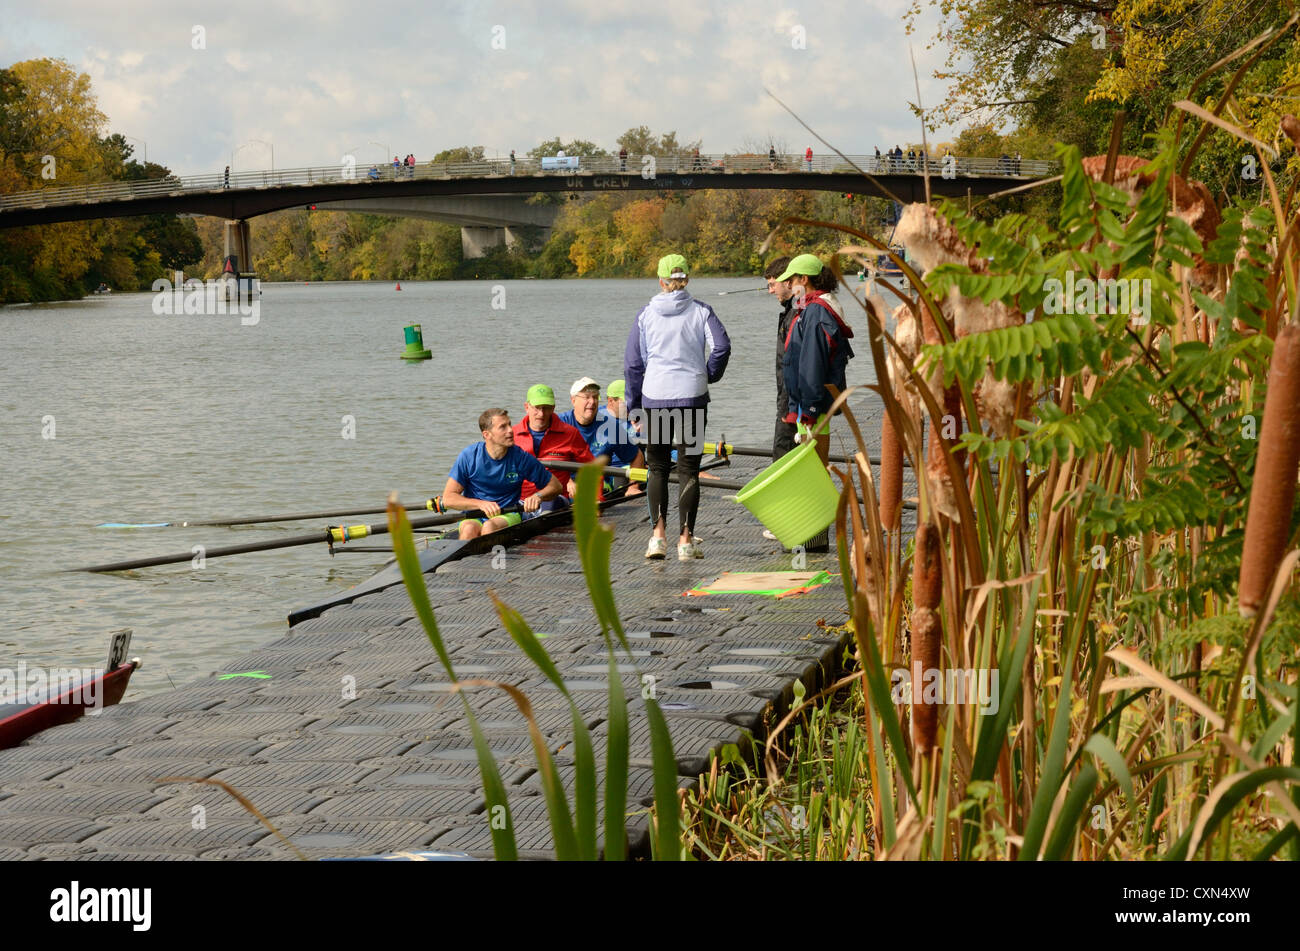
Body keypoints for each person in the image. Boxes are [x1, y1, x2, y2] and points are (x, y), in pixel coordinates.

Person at [624, 253, 731, 561]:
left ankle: (658, 537)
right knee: (689, 470)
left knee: (656, 468)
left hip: (655, 399)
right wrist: (709, 374)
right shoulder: (701, 311)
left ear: (661, 281)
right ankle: (686, 540)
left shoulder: (645, 315)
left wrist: (634, 406)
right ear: (687, 280)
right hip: (692, 399)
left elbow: (633, 364)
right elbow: (722, 346)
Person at [777, 253, 856, 550]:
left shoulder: (815, 313)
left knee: (814, 469)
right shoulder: (813, 309)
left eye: (791, 280)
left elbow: (812, 364)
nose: (788, 285)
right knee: (814, 468)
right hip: (814, 405)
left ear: (804, 280)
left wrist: (807, 411)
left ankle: (814, 537)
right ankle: (816, 535)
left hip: (814, 407)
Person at [442, 408, 563, 540]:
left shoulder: (520, 458)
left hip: (508, 513)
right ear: (487, 434)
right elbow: (448, 498)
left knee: (489, 527)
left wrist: (538, 496)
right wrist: (481, 504)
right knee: (469, 529)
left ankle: (487, 560)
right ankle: (465, 561)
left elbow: (556, 486)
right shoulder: (469, 456)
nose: (510, 430)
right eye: (503, 427)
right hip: (474, 514)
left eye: (509, 424)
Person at [512, 384, 594, 508]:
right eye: (537, 408)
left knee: (548, 507)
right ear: (526, 407)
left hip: (555, 498)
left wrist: (597, 499)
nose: (541, 413)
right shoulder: (511, 435)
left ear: (553, 408)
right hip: (520, 500)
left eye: (546, 408)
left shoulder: (570, 434)